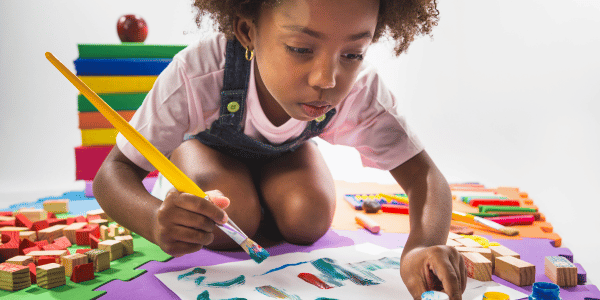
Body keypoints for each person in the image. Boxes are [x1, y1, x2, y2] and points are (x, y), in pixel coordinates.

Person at [93, 0, 467, 298]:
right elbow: (113, 173)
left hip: (285, 157)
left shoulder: (361, 91)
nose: (327, 79)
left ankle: (265, 192)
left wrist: (421, 247)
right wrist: (155, 220)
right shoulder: (198, 73)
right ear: (247, 31)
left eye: (352, 54)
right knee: (228, 221)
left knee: (308, 218)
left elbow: (424, 174)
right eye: (301, 48)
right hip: (208, 150)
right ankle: (232, 188)